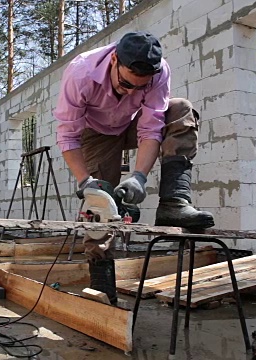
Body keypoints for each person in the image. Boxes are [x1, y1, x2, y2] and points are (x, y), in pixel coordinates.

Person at [53, 31, 214, 305]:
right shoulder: (80, 72)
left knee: (181, 110)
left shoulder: (160, 72)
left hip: (132, 123)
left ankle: (174, 202)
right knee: (99, 205)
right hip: (96, 131)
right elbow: (68, 135)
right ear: (115, 59)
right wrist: (85, 181)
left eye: (140, 87)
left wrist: (139, 176)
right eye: (126, 84)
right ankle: (102, 282)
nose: (131, 91)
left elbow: (151, 127)